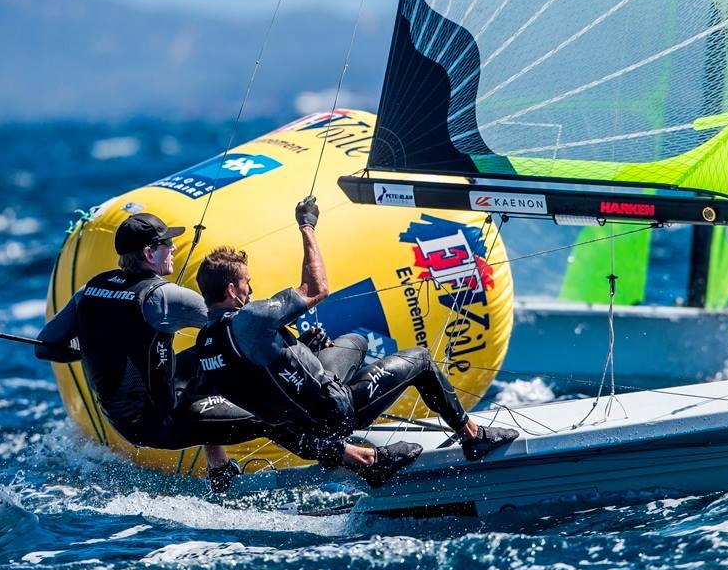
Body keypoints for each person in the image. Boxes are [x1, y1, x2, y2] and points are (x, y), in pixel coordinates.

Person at [35, 212, 416, 493]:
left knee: (199, 367)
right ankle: (364, 461)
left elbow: (47, 347)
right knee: (268, 414)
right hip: (158, 419)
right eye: (167, 244)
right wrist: (299, 343)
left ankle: (219, 468)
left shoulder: (91, 289)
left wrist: (89, 350)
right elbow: (236, 325)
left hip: (125, 414)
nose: (171, 250)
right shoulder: (162, 296)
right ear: (150, 253)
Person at [193, 196, 518, 473]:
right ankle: (473, 436)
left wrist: (217, 463)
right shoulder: (250, 318)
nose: (252, 289)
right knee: (420, 359)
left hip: (298, 430)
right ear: (233, 290)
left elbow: (236, 388)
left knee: (355, 342)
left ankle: (364, 461)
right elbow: (316, 289)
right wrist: (307, 226)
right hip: (333, 413)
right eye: (247, 283)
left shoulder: (205, 346)